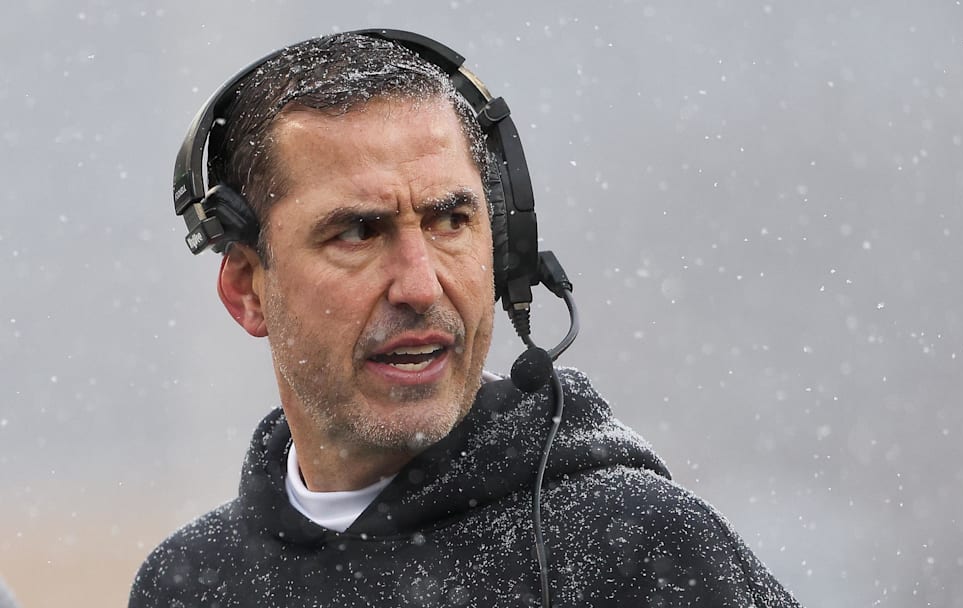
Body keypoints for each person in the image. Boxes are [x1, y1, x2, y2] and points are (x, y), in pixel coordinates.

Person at [129, 30, 802, 608]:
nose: (422, 287)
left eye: (451, 220)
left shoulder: (639, 550)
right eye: (359, 233)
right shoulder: (186, 585)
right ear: (246, 289)